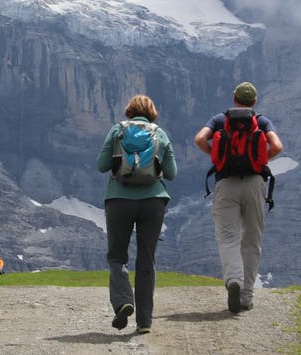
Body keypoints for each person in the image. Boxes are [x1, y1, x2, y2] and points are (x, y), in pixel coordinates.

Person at [193, 82, 284, 314]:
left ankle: (234, 279)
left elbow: (200, 139)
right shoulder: (262, 121)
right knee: (252, 240)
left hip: (226, 184)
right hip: (255, 184)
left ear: (234, 98)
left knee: (228, 237)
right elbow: (277, 146)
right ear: (254, 101)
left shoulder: (219, 120)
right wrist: (260, 160)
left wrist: (216, 157)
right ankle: (246, 296)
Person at [97, 94, 177, 334]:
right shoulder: (160, 134)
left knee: (117, 257)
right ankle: (144, 322)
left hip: (119, 199)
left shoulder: (116, 131)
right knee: (146, 260)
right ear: (152, 113)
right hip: (153, 201)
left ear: (129, 111)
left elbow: (101, 165)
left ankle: (123, 301)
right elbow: (172, 173)